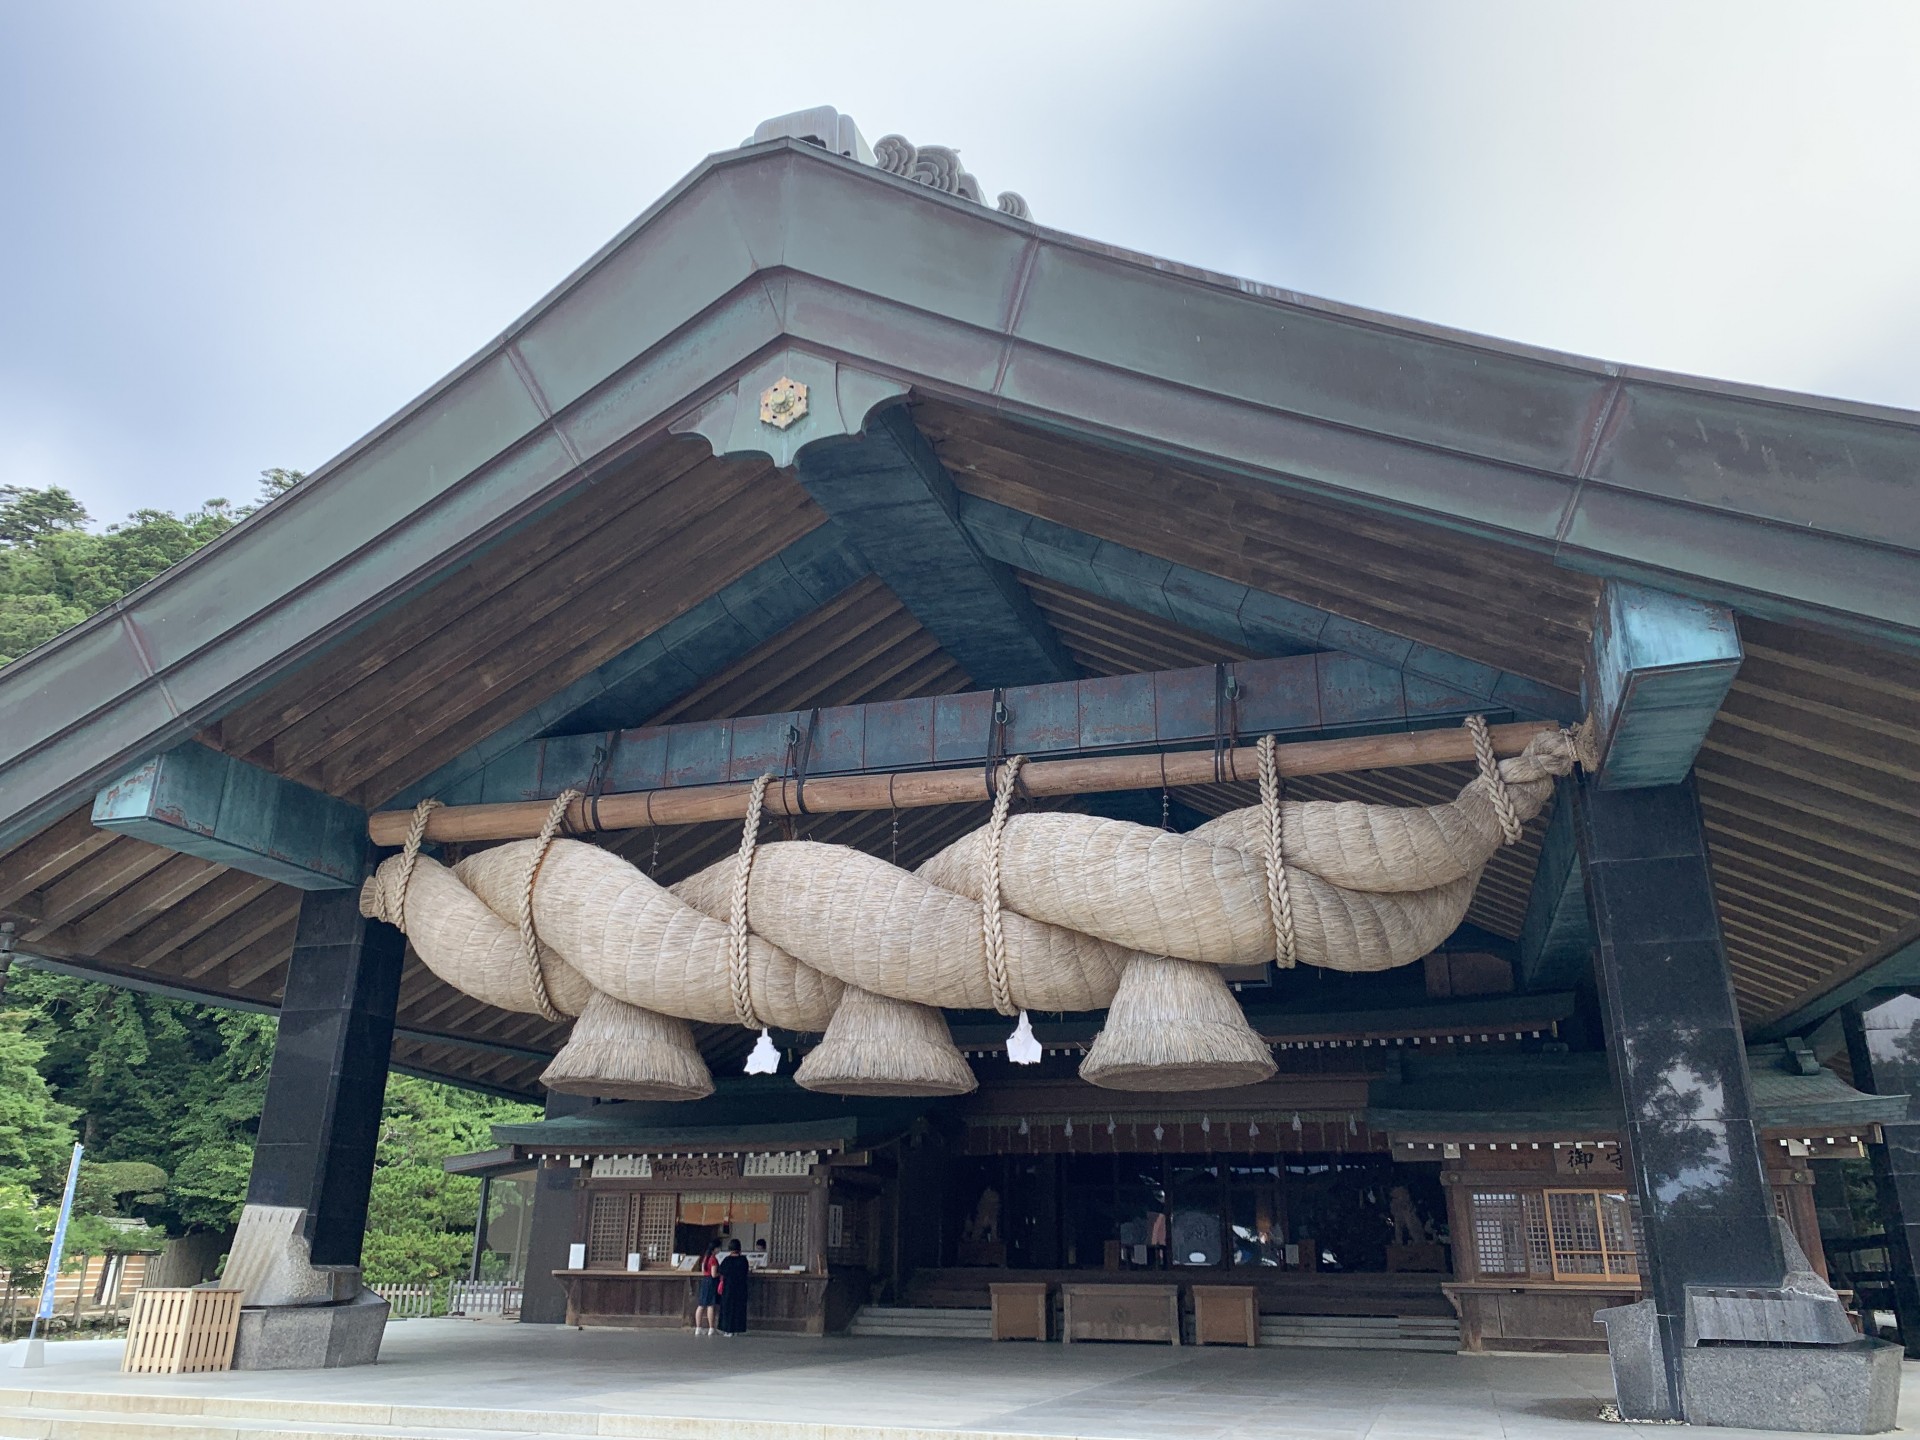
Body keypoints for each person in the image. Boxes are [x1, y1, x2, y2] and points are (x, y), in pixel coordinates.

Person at [714, 1238, 751, 1336]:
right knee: (739, 1308)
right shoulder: (743, 1260)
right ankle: (737, 1329)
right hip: (741, 1288)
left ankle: (728, 1330)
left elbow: (721, 1271)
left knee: (727, 1309)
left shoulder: (727, 1260)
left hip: (728, 1288)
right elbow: (746, 1271)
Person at [692, 1241, 721, 1335]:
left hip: (705, 1281)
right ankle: (711, 1328)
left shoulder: (705, 1258)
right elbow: (713, 1274)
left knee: (701, 1304)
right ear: (715, 1249)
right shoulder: (713, 1259)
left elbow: (703, 1271)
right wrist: (720, 1274)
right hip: (711, 1282)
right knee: (710, 1305)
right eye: (718, 1247)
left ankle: (698, 1328)